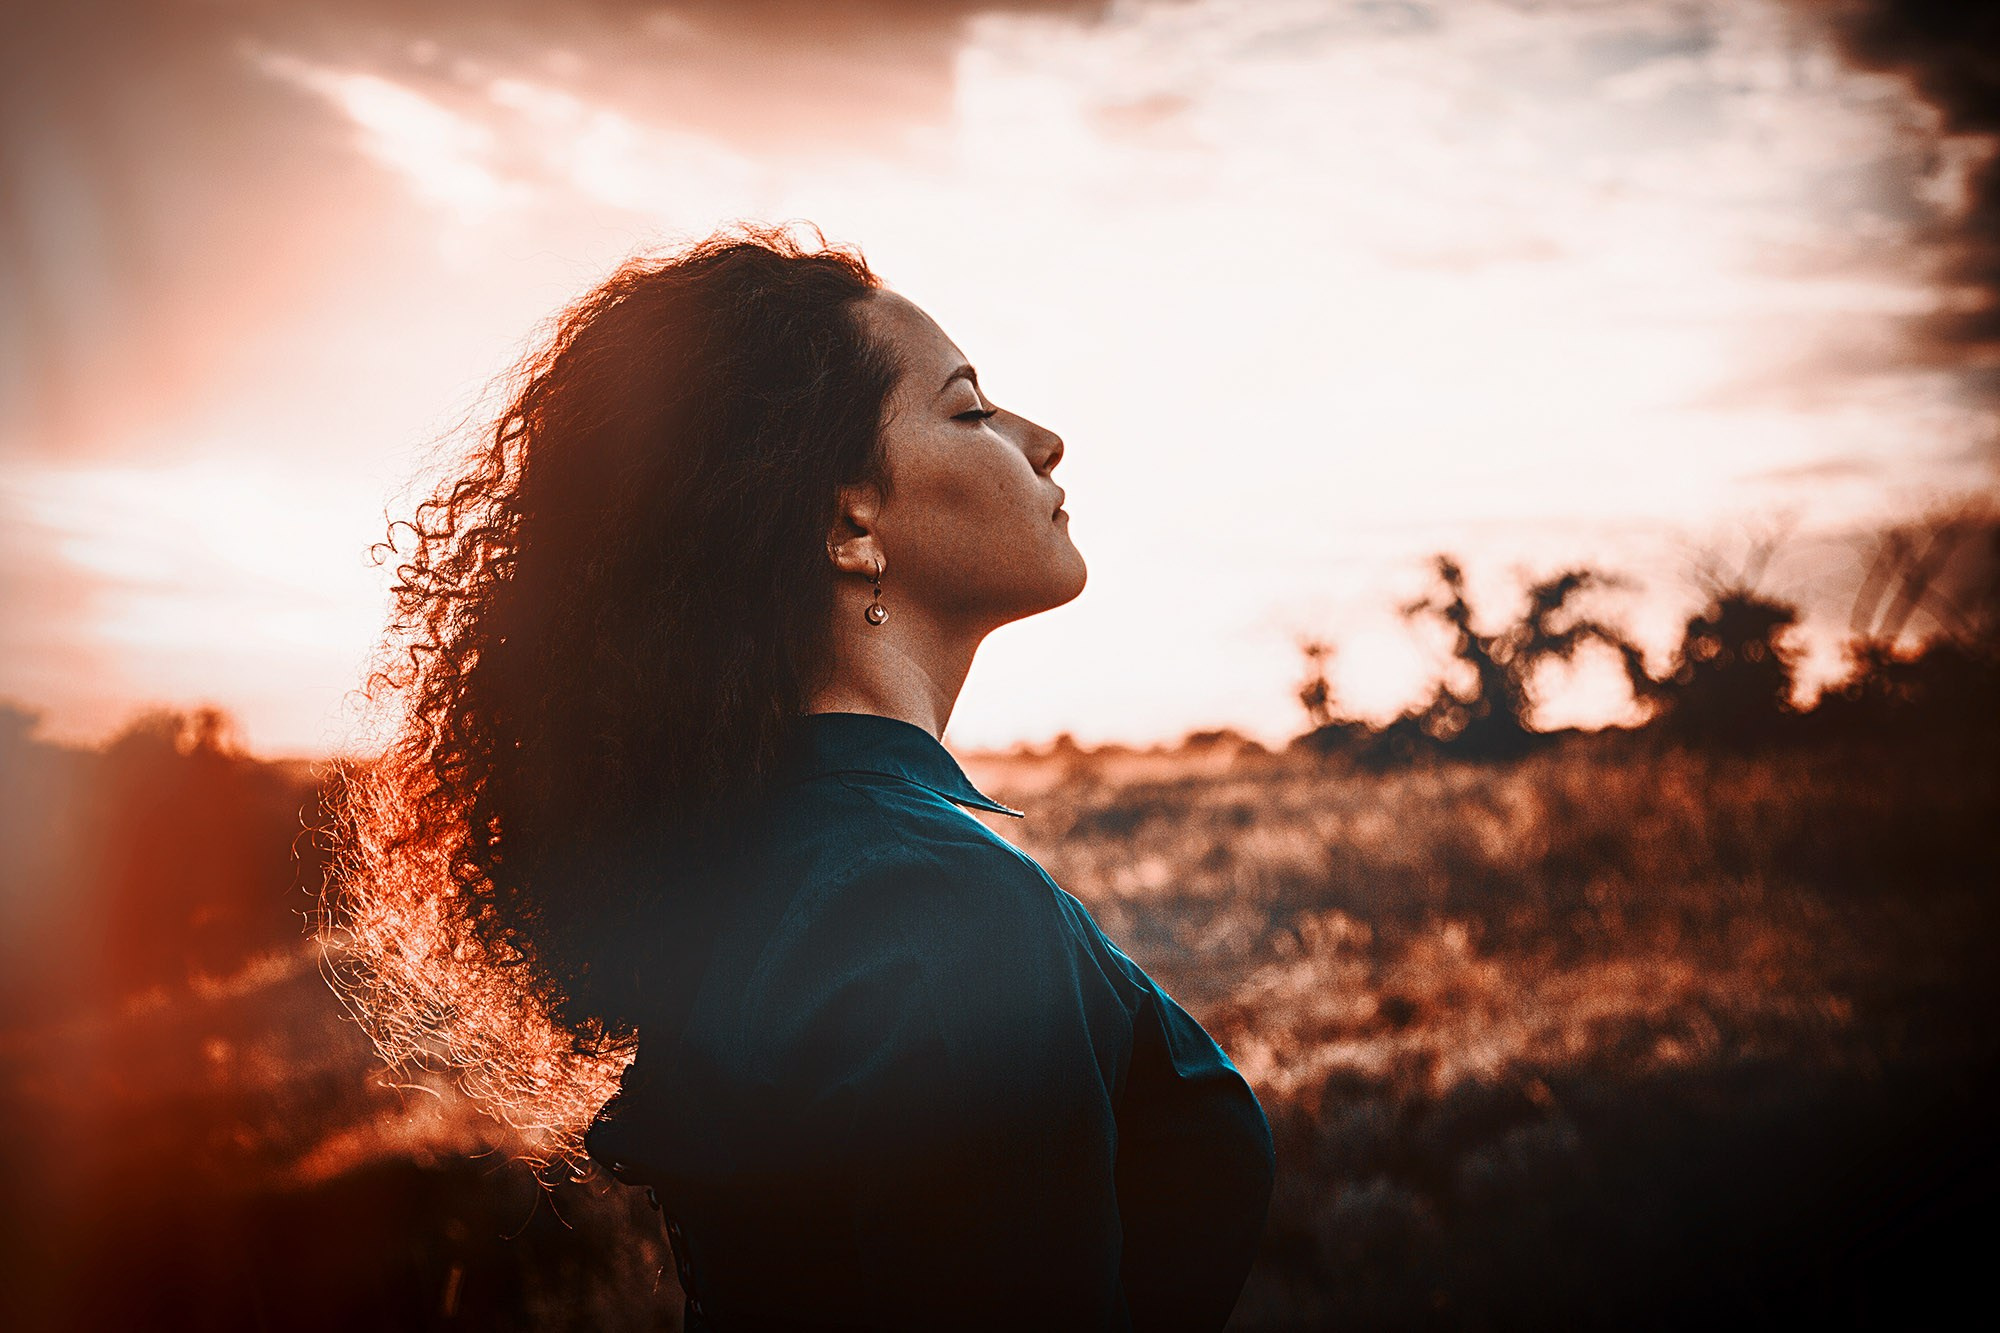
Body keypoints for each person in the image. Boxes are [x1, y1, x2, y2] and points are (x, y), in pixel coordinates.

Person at [324, 222, 1275, 1332]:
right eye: (968, 409)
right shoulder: (940, 905)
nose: (1044, 440)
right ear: (847, 520)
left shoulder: (751, 868)